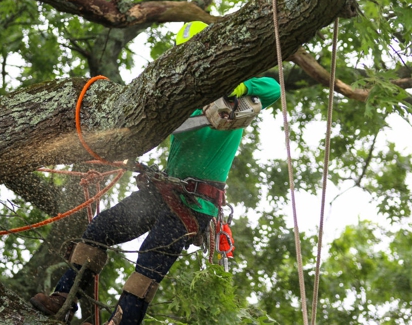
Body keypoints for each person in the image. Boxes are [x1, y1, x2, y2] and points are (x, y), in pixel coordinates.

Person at [30, 21, 281, 324]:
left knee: (150, 259)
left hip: (196, 204)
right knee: (100, 228)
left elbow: (273, 88)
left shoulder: (235, 96)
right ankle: (65, 299)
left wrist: (240, 87)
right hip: (163, 193)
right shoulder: (183, 98)